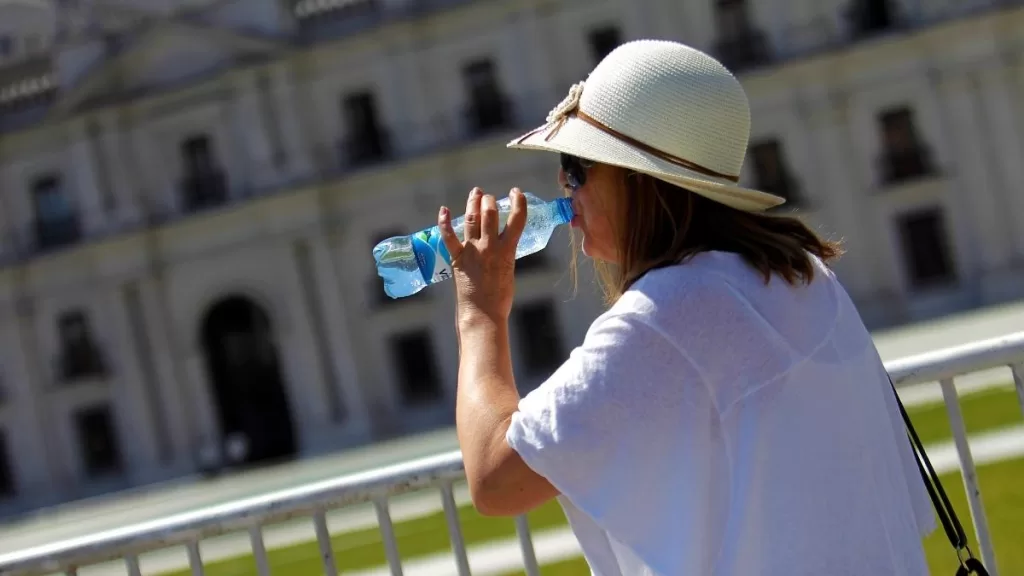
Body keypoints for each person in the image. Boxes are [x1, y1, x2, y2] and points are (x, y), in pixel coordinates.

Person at [436, 40, 935, 575]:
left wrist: (479, 312)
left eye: (577, 167)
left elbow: (495, 476)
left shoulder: (667, 314)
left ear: (637, 179)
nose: (565, 187)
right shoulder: (806, 274)